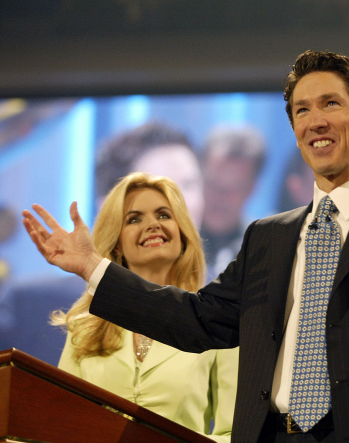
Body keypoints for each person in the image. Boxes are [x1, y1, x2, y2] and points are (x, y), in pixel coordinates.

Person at [22, 50, 349, 442]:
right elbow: (198, 320)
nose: (314, 120)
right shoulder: (268, 236)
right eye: (301, 110)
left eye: (330, 104)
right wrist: (93, 267)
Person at [0, 122, 205, 366]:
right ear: (109, 205)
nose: (179, 204)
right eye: (156, 190)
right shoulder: (32, 306)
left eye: (188, 185)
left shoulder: (230, 306)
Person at [52, 172, 238, 441]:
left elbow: (234, 433)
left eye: (164, 215)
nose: (152, 225)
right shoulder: (83, 329)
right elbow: (60, 425)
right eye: (134, 219)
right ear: (117, 245)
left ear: (183, 236)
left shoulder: (216, 322)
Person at [199, 124, 265, 281]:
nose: (220, 196)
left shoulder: (267, 251)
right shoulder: (170, 241)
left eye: (235, 187)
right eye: (213, 183)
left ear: (252, 188)